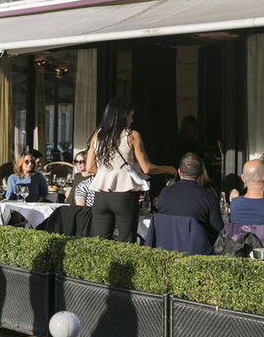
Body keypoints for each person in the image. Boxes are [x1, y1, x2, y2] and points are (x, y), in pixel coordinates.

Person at [87, 97, 177, 243]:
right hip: (124, 195)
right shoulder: (132, 136)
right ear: (123, 116)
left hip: (101, 195)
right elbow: (147, 168)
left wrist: (108, 172)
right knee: (127, 243)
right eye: (131, 116)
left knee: (100, 244)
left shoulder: (97, 135)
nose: (132, 120)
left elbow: (90, 167)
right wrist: (168, 169)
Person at [156, 152, 223, 242]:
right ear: (201, 173)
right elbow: (217, 229)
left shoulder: (165, 193)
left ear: (179, 172)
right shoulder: (209, 197)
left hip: (166, 246)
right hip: (196, 248)